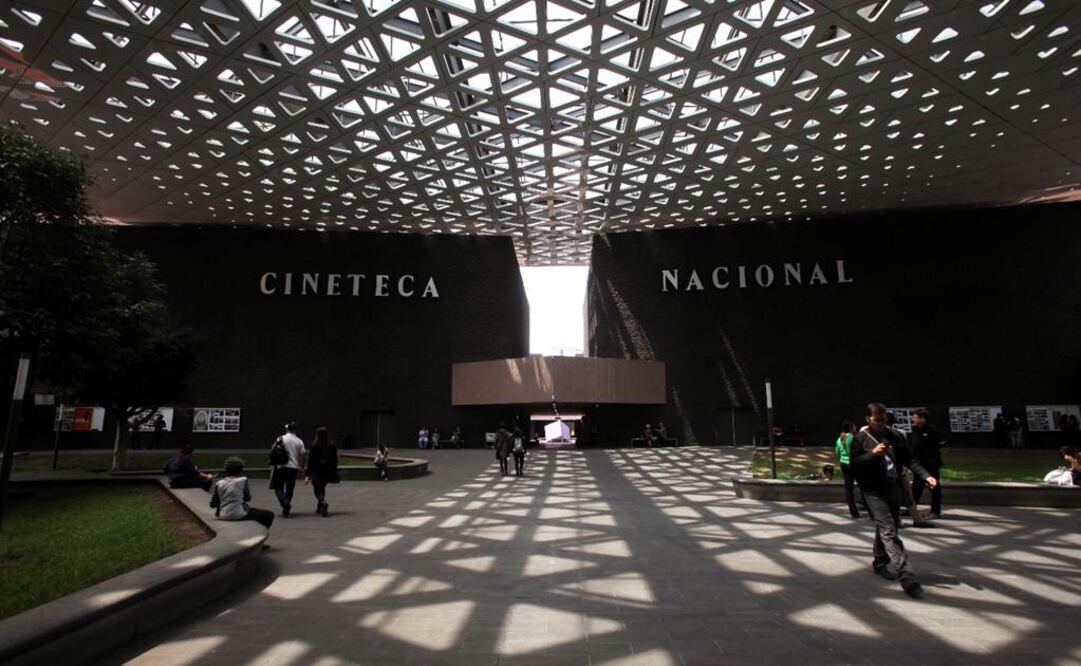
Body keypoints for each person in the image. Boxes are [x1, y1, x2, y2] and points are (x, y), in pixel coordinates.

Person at [850, 402, 938, 598]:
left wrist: (926, 476)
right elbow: (855, 465)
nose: (881, 424)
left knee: (888, 526)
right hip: (872, 490)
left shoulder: (895, 436)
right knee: (888, 529)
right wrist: (873, 454)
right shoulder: (860, 439)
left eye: (883, 420)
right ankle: (906, 575)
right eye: (876, 421)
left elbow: (909, 459)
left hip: (893, 486)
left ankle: (880, 562)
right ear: (868, 420)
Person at [210, 457, 274, 530]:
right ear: (241, 470)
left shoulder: (219, 483)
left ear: (226, 470)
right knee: (269, 514)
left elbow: (212, 504)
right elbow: (248, 498)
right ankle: (260, 532)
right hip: (239, 514)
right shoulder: (243, 480)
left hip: (222, 515)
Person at [909, 409, 945, 519]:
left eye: (915, 417)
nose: (913, 419)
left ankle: (935, 511)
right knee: (916, 487)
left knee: (934, 488)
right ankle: (912, 508)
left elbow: (936, 447)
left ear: (922, 418)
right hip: (918, 464)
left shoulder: (932, 430)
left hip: (931, 464)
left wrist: (931, 460)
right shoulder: (916, 430)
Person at [270, 421, 305, 517]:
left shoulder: (280, 438)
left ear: (288, 429)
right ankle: (287, 501)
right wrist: (301, 468)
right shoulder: (299, 441)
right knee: (290, 488)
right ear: (295, 430)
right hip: (293, 468)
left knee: (278, 487)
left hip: (281, 466)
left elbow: (273, 450)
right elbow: (302, 455)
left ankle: (284, 502)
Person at [304, 426, 339, 517]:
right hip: (327, 470)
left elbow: (311, 460)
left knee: (316, 489)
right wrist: (334, 469)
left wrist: (308, 473)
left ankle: (323, 502)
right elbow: (335, 459)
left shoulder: (315, 445)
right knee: (322, 487)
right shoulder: (331, 445)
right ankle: (319, 507)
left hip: (317, 470)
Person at [835, 421, 861, 518]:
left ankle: (853, 511)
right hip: (854, 464)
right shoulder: (853, 438)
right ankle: (867, 506)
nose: (856, 428)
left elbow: (837, 452)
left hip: (844, 464)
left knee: (848, 487)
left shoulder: (839, 439)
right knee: (863, 485)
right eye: (854, 426)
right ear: (851, 428)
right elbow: (856, 452)